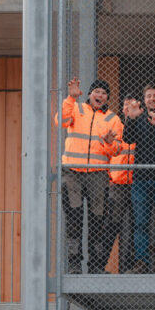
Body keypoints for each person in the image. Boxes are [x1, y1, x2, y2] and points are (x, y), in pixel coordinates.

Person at [56, 77, 122, 273]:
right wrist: (70, 98)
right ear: (90, 94)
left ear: (107, 97)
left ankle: (95, 266)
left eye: (103, 93)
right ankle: (74, 264)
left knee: (97, 221)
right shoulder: (76, 108)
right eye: (97, 92)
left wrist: (109, 143)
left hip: (98, 174)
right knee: (74, 219)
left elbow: (117, 150)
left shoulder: (113, 119)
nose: (100, 95)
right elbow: (61, 121)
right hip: (72, 172)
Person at [122, 83, 155, 273]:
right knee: (140, 222)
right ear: (144, 100)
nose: (152, 99)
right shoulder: (138, 118)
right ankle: (140, 262)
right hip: (140, 178)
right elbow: (128, 139)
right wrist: (131, 119)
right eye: (148, 96)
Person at [102, 93, 139, 273]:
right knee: (111, 225)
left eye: (131, 106)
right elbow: (105, 153)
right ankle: (99, 264)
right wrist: (108, 178)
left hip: (135, 184)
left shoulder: (141, 127)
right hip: (116, 185)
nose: (127, 109)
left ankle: (127, 268)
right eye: (125, 106)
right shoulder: (115, 128)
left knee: (132, 227)